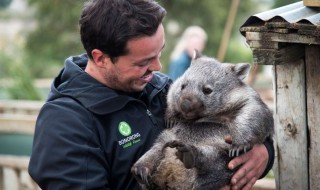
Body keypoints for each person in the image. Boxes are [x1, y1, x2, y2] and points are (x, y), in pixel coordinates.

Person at [28, 0, 274, 190]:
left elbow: (239, 123)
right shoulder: (65, 123)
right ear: (101, 58)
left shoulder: (162, 89)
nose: (157, 68)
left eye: (160, 53)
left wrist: (262, 154)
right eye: (143, 61)